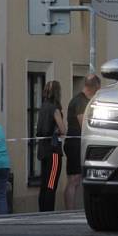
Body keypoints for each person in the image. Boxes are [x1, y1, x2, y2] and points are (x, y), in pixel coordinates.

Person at [64, 74, 101, 209]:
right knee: (74, 178)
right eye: (98, 90)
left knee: (76, 178)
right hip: (75, 144)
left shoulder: (80, 100)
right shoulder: (80, 101)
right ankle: (70, 210)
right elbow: (83, 124)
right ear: (94, 87)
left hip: (77, 143)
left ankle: (74, 209)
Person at [37, 80, 66, 212]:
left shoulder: (43, 107)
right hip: (53, 150)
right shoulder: (54, 109)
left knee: (44, 182)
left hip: (42, 149)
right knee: (51, 183)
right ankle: (49, 211)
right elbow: (62, 129)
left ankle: (42, 210)